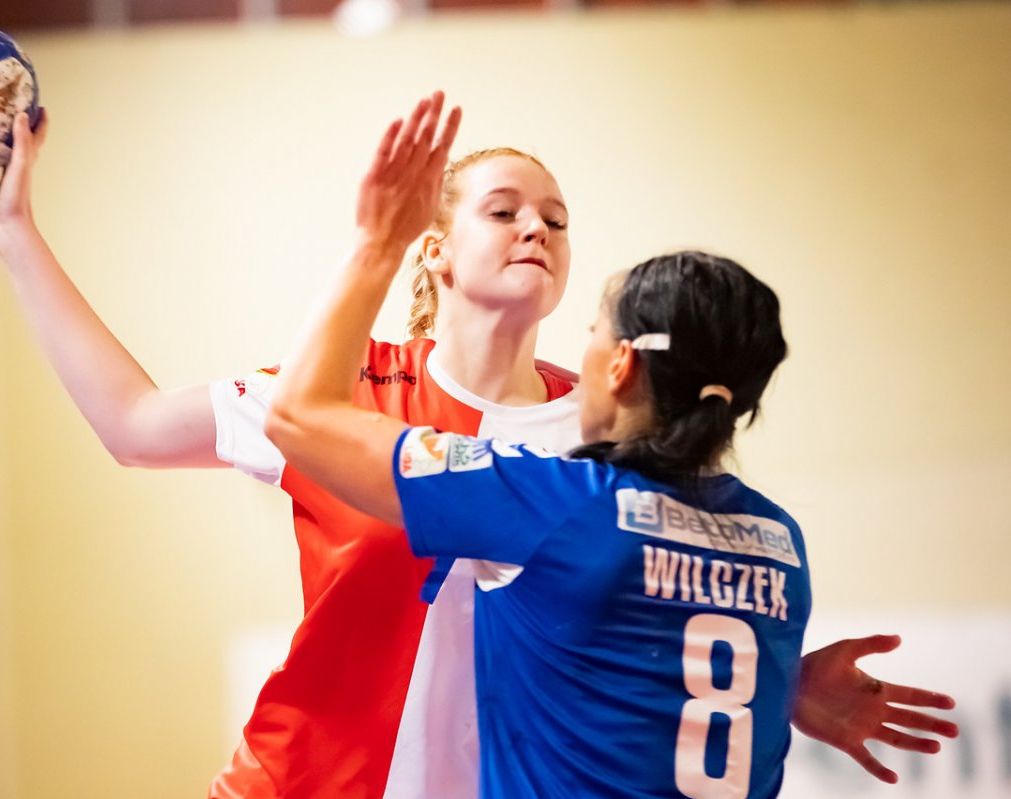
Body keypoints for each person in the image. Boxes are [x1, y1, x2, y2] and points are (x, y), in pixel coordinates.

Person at [0, 99, 957, 799]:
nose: (537, 226)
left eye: (557, 220)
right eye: (503, 210)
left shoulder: (610, 433)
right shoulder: (341, 391)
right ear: (433, 246)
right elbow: (132, 425)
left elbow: (673, 608)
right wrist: (15, 232)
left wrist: (773, 685)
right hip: (310, 780)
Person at [267, 94, 807, 796]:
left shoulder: (557, 501)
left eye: (592, 333)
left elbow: (300, 415)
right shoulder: (779, 541)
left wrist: (378, 242)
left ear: (620, 366)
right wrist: (796, 685)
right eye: (504, 213)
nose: (536, 232)